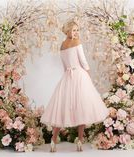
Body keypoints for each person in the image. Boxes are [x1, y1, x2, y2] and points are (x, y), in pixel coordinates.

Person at [40, 18, 109, 152]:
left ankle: (53, 141)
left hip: (67, 76)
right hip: (79, 75)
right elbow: (83, 61)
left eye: (77, 30)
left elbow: (64, 66)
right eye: (74, 30)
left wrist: (67, 76)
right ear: (68, 31)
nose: (76, 33)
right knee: (82, 107)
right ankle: (80, 141)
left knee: (61, 109)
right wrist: (88, 75)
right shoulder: (77, 42)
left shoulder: (62, 45)